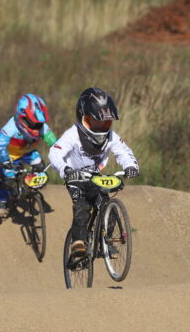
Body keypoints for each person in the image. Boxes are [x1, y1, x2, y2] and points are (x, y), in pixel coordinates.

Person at [48, 87, 139, 258]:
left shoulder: (111, 136)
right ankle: (78, 242)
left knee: (108, 207)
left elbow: (123, 152)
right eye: (95, 122)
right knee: (82, 207)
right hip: (75, 177)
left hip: (95, 176)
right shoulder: (73, 134)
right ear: (83, 117)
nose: (100, 127)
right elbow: (55, 152)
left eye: (105, 123)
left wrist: (131, 166)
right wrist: (65, 169)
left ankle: (106, 242)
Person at [0, 93, 56, 218]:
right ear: (22, 117)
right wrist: (5, 160)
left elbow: (54, 143)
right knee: (6, 179)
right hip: (10, 155)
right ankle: (1, 200)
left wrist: (60, 153)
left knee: (40, 165)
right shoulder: (11, 126)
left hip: (28, 153)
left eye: (39, 124)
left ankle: (30, 188)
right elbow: (1, 142)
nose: (37, 127)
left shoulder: (42, 127)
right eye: (33, 123)